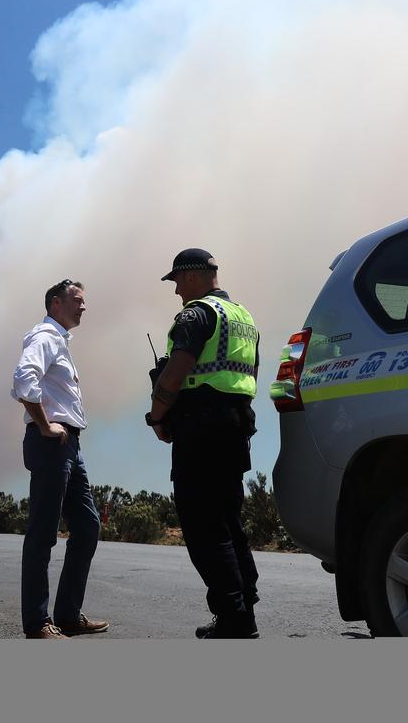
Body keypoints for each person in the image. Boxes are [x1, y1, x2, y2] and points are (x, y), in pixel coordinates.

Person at [147, 249, 261, 639]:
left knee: (202, 526)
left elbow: (174, 375)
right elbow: (251, 374)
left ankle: (233, 617)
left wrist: (157, 415)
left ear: (192, 276)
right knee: (229, 519)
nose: (176, 291)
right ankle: (245, 602)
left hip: (200, 429)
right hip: (234, 427)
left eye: (177, 281)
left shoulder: (195, 315)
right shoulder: (244, 317)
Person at [12, 278, 108, 639]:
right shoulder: (45, 336)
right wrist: (45, 425)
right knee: (43, 533)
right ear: (55, 303)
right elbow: (24, 380)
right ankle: (37, 624)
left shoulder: (60, 341)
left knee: (86, 527)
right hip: (52, 441)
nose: (83, 306)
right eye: (77, 300)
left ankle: (67, 615)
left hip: (70, 445)